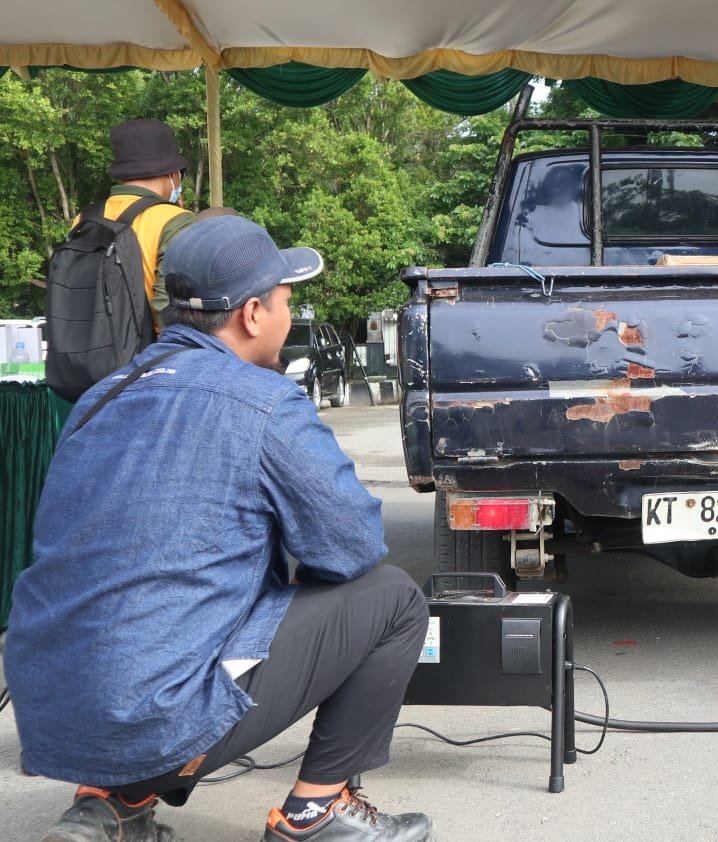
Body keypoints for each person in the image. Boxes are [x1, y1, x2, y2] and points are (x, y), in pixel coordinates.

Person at [4, 216, 433, 842]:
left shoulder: (102, 396)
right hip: (154, 712)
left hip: (50, 711)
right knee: (392, 597)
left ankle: (113, 805)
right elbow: (351, 546)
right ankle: (318, 813)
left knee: (161, 611)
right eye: (287, 299)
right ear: (253, 313)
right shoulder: (262, 401)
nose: (291, 313)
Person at [91, 118, 198, 333]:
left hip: (80, 359)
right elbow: (168, 310)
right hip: (145, 360)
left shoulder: (85, 218)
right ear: (173, 174)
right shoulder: (173, 220)